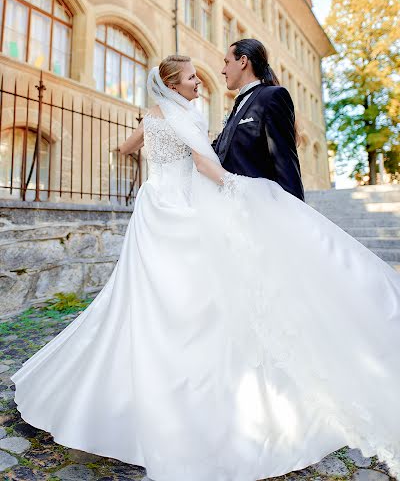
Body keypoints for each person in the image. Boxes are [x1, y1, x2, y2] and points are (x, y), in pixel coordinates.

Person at [11, 55, 400, 481]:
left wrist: (128, 154)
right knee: (194, 294)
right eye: (193, 77)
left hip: (152, 208)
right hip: (180, 209)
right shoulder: (184, 115)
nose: (201, 82)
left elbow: (126, 147)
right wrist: (236, 188)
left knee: (145, 299)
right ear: (175, 85)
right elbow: (203, 162)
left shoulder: (153, 116)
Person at [212, 38, 304, 201]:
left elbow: (285, 162)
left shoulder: (272, 96)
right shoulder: (237, 105)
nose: (223, 70)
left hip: (261, 207)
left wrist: (296, 214)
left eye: (227, 62)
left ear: (243, 61)